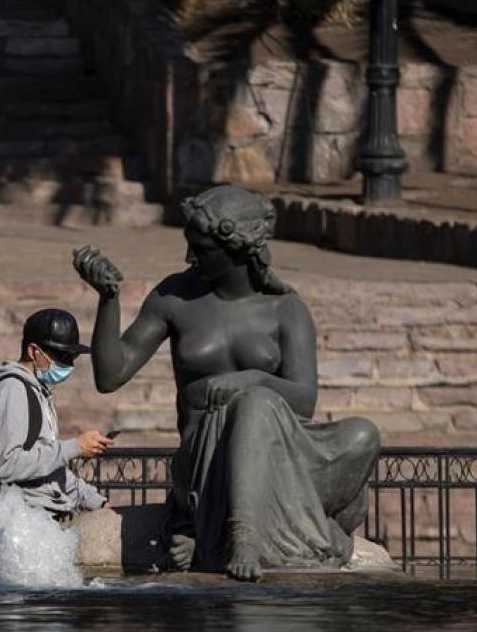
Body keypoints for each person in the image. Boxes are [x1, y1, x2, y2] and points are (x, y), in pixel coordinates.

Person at [72, 186, 381, 581]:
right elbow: (110, 376)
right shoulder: (174, 297)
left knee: (362, 433)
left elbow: (304, 401)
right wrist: (108, 300)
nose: (189, 257)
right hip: (205, 460)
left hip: (274, 455)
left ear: (237, 248)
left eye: (200, 248)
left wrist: (252, 379)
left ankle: (230, 533)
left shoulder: (286, 310)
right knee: (255, 402)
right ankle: (242, 537)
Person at [0, 308, 112, 519]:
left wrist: (94, 500)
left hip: (39, 516)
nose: (69, 364)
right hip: (19, 520)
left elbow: (46, 467)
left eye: (72, 357)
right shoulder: (12, 389)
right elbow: (6, 465)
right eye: (62, 356)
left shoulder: (38, 391)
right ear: (34, 351)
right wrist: (74, 447)